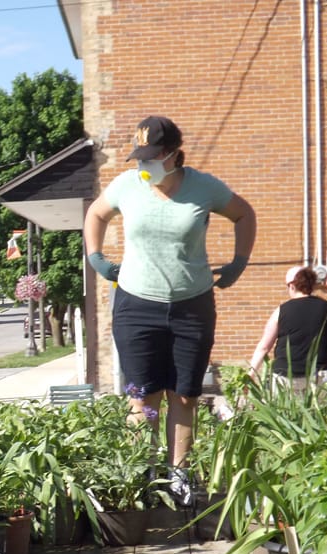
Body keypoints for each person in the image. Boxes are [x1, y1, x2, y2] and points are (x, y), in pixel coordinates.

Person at [83, 115, 257, 506]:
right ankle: (139, 475)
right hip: (135, 304)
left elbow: (244, 214)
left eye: (153, 156)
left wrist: (238, 262)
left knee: (184, 395)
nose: (145, 164)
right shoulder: (127, 185)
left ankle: (180, 475)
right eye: (140, 156)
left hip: (191, 305)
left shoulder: (203, 187)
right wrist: (96, 257)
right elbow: (95, 214)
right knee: (142, 396)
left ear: (175, 153)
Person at [248, 265, 327, 392]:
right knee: (321, 412)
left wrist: (251, 374)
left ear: (291, 285)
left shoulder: (281, 311)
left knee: (285, 412)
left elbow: (264, 347)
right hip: (321, 375)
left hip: (286, 376)